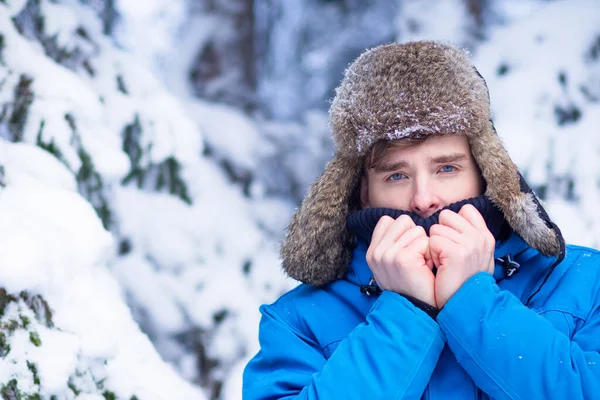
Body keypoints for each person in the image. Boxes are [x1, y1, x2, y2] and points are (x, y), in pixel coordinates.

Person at [242, 41, 600, 399]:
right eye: (396, 175)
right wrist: (405, 315)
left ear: (486, 173)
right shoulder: (298, 322)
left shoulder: (586, 284)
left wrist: (475, 303)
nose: (424, 199)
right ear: (362, 191)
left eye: (447, 168)